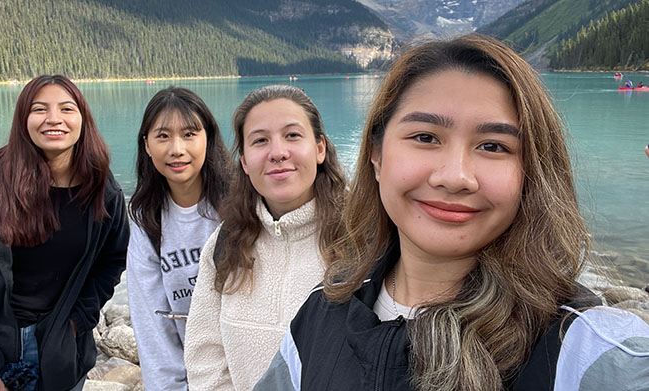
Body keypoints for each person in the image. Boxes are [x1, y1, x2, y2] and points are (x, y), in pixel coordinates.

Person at [254, 34, 649, 391]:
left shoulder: (580, 349)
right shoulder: (319, 317)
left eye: (493, 146)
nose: (455, 177)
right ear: (376, 155)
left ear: (531, 172)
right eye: (425, 137)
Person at [0, 75, 129, 391]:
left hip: (59, 354)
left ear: (83, 118)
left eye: (67, 109)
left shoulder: (101, 190)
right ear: (23, 119)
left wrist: (75, 322)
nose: (54, 119)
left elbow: (112, 261)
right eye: (40, 109)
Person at [184, 85, 347, 391]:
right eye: (260, 140)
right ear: (244, 161)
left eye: (293, 135)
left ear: (320, 148)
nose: (278, 152)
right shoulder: (225, 243)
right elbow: (205, 356)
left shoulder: (360, 239)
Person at [126, 87, 231, 391]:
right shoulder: (146, 219)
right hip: (192, 377)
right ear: (146, 144)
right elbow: (152, 324)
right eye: (162, 136)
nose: (176, 149)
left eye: (189, 134)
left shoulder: (237, 206)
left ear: (207, 138)